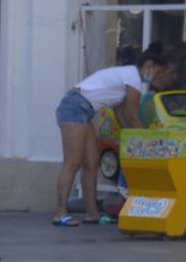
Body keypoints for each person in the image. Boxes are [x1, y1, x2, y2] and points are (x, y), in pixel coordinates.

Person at [53, 48, 167, 226]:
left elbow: (121, 115)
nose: (157, 76)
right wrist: (148, 139)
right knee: (72, 163)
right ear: (149, 65)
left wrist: (127, 137)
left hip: (85, 111)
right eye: (158, 72)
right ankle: (60, 213)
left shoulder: (127, 78)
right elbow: (133, 116)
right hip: (74, 107)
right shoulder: (134, 78)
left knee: (92, 163)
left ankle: (92, 213)